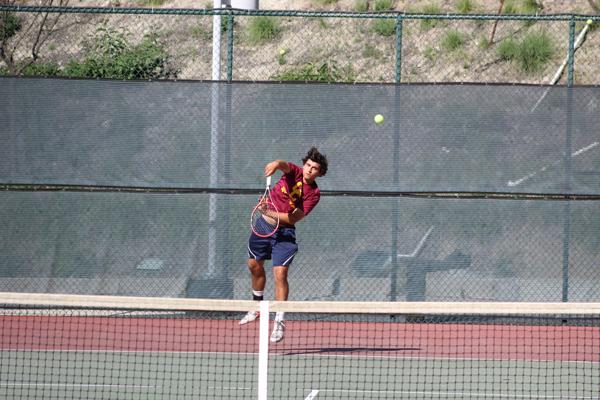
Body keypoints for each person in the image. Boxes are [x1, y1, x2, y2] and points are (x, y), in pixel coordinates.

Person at [239, 147, 328, 343]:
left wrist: (268, 211)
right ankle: (256, 308)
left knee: (280, 273)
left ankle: (279, 320)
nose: (309, 170)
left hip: (285, 233)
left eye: (314, 169)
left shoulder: (313, 194)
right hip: (262, 227)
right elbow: (283, 165)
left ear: (320, 173)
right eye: (308, 165)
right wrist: (275, 164)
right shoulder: (294, 172)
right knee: (254, 265)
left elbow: (293, 218)